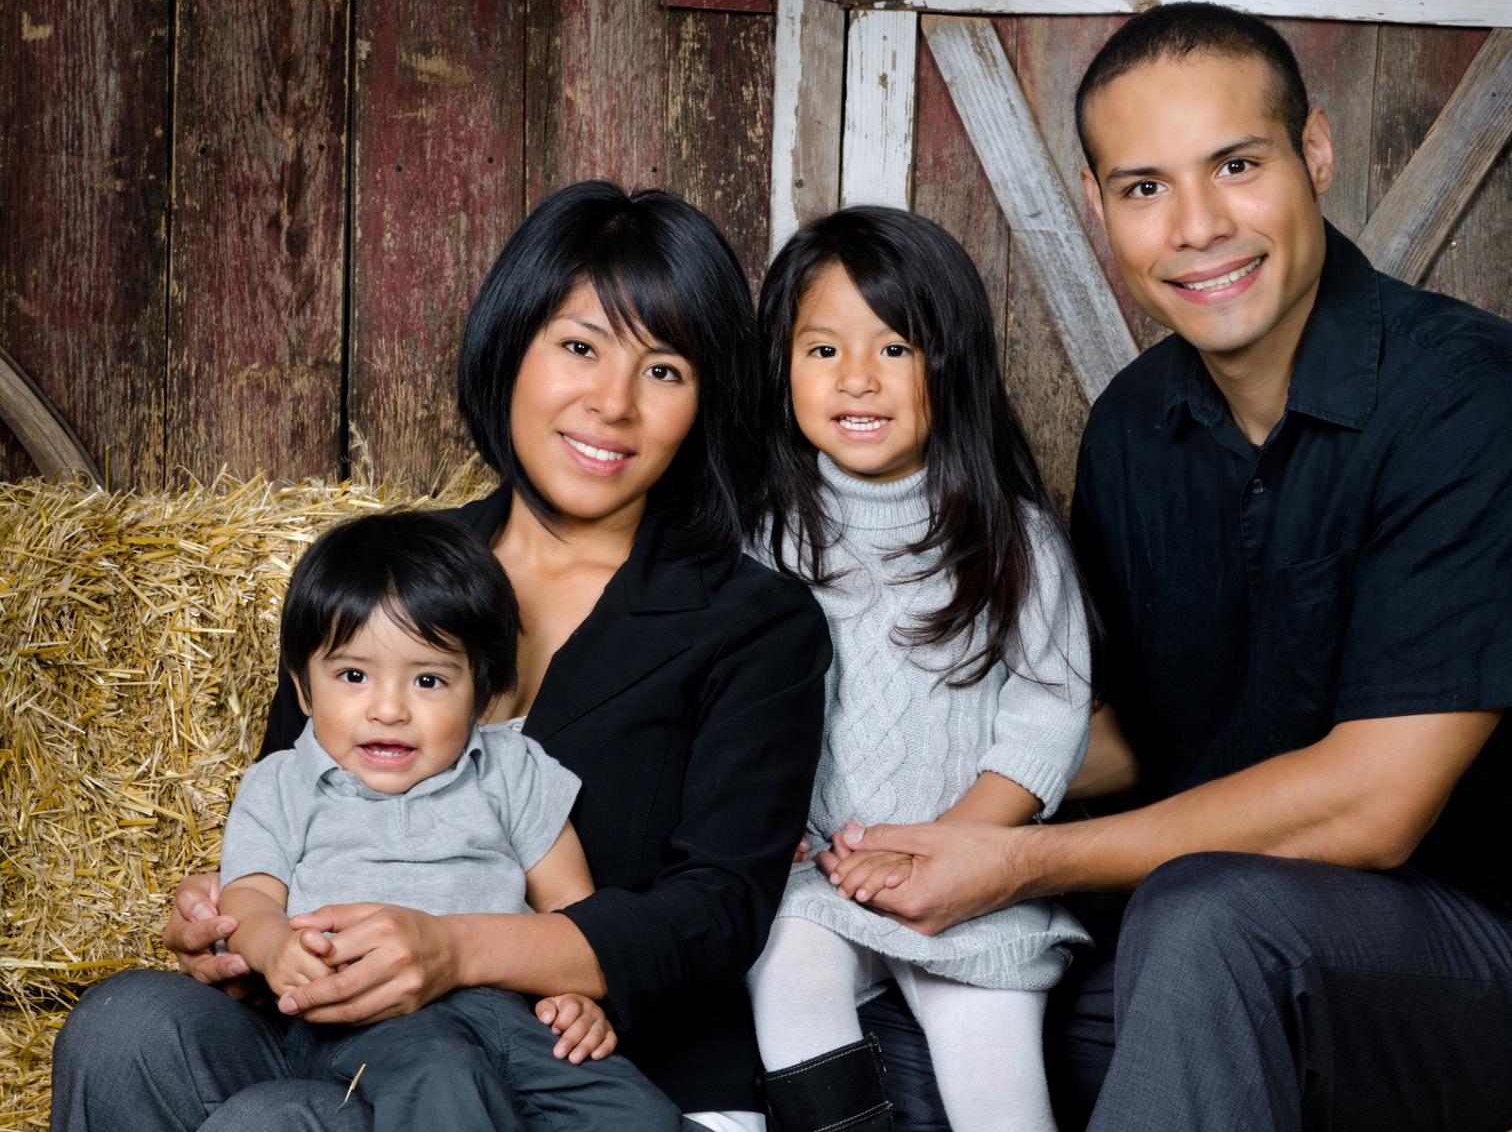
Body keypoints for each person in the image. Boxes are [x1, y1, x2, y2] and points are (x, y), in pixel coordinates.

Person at [835, 3, 1512, 1131]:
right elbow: (1108, 737)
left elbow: (1374, 809)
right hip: (1199, 941)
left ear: (1312, 152)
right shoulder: (1131, 430)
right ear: (1095, 204)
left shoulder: (1475, 402)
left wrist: (1018, 864)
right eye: (1143, 187)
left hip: (1491, 949)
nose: (1196, 226)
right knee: (883, 1025)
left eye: (1235, 165)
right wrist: (863, 818)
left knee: (1209, 920)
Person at [51, 180, 832, 1132]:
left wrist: (454, 948)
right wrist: (237, 931)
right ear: (512, 345)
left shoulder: (754, 622)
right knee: (125, 1026)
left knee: (279, 1121)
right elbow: (298, 800)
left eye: (663, 369)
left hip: (580, 1062)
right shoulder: (385, 576)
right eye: (579, 347)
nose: (612, 404)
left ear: (706, 401)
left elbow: (717, 911)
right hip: (337, 1039)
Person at [742, 207, 1093, 1132]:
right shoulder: (763, 538)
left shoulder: (1013, 540)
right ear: (780, 368)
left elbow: (1049, 713)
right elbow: (737, 705)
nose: (856, 377)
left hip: (971, 873)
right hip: (821, 876)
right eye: (822, 350)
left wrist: (952, 843)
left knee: (997, 1085)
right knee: (785, 976)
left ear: (952, 365)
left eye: (894, 348)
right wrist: (766, 821)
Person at [214, 508, 679, 1130]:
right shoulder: (280, 784)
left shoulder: (513, 770)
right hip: (366, 1021)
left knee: (638, 1112)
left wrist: (574, 995)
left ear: (480, 696)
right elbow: (247, 897)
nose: (388, 710)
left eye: (429, 680)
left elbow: (572, 908)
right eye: (353, 675)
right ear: (303, 688)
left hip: (512, 1016)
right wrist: (274, 947)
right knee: (443, 1080)